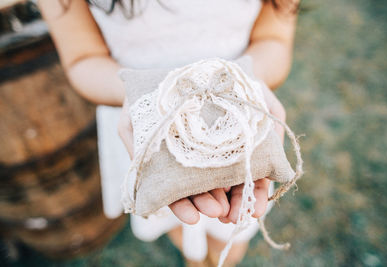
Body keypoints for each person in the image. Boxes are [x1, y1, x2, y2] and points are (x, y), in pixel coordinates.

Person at [38, 0, 298, 265]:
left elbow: (273, 37)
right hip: (147, 127)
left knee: (230, 240)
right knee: (174, 221)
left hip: (238, 122)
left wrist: (251, 80)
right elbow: (82, 58)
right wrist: (136, 94)